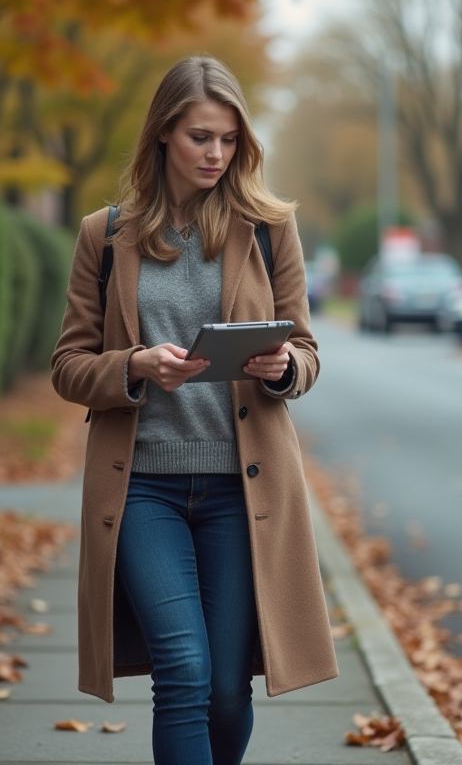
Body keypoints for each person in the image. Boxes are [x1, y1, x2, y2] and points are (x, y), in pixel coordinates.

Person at [51, 55, 338, 765]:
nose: (216, 154)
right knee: (183, 673)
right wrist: (134, 367)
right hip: (142, 486)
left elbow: (306, 350)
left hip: (244, 493)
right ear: (161, 137)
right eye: (200, 137)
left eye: (229, 140)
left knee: (228, 692)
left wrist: (283, 369)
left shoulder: (269, 230)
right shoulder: (105, 236)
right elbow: (67, 367)